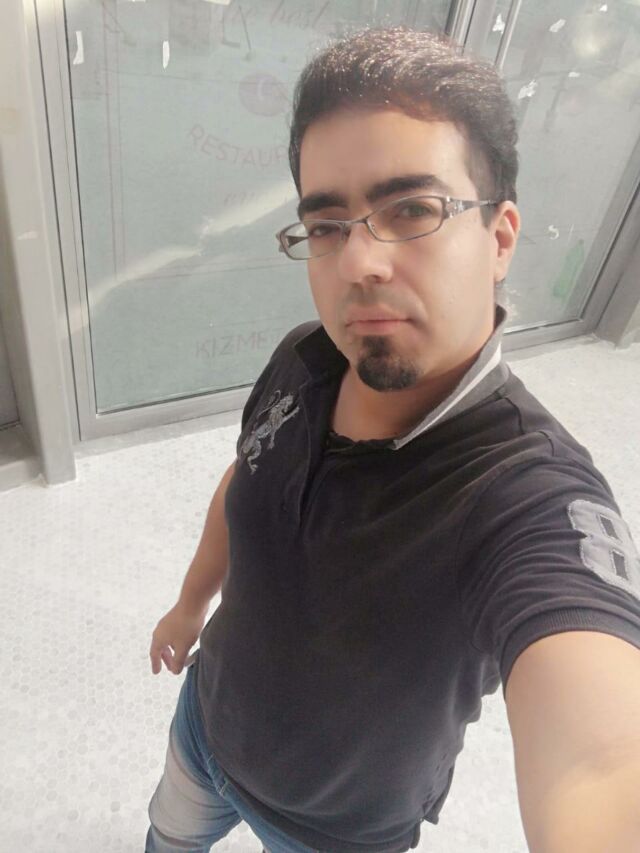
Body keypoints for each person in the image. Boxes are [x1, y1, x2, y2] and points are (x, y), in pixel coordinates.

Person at [145, 27, 640, 853]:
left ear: (500, 238)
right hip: (204, 726)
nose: (358, 263)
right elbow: (248, 478)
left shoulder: (527, 496)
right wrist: (191, 602)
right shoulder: (304, 357)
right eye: (327, 224)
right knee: (166, 838)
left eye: (411, 209)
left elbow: (601, 763)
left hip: (332, 831)